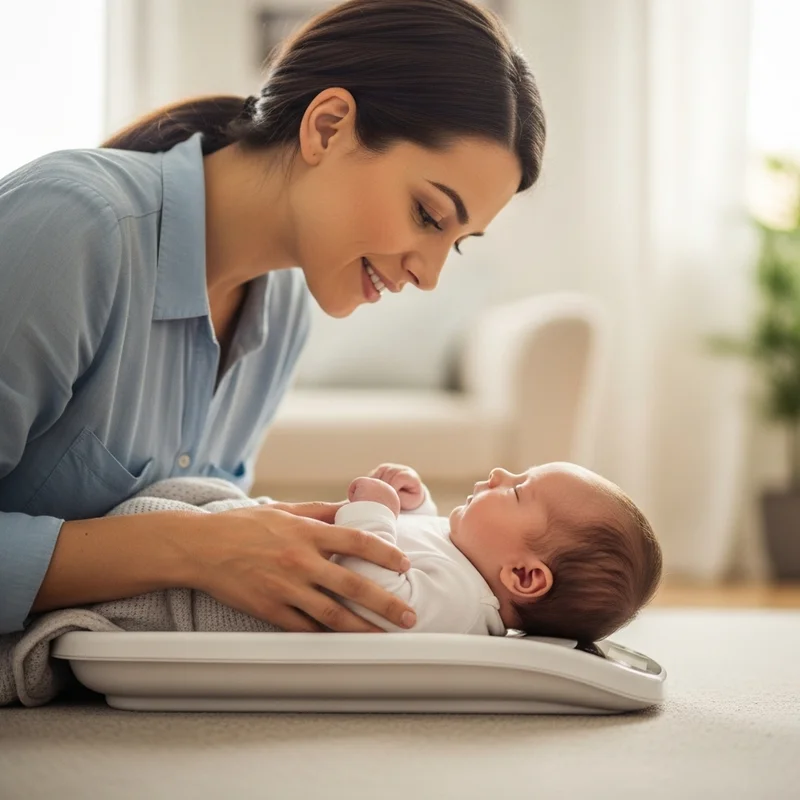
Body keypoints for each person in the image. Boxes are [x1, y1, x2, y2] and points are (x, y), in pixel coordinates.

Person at [0, 0, 546, 636]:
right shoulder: (75, 227)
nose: (428, 275)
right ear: (328, 125)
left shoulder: (281, 307)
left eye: (455, 243)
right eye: (428, 215)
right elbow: (196, 543)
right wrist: (193, 548)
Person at [333, 462, 662, 641]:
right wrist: (414, 505)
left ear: (523, 575)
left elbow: (368, 596)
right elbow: (419, 547)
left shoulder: (461, 604)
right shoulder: (468, 558)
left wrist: (372, 514)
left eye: (517, 490)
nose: (499, 474)